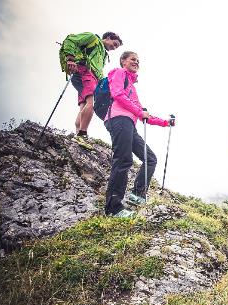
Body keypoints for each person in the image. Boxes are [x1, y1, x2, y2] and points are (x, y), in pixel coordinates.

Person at [104, 51, 175, 218]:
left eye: (138, 61)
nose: (136, 62)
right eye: (132, 59)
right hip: (118, 119)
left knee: (150, 158)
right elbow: (117, 94)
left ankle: (137, 195)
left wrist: (165, 122)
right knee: (123, 160)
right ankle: (113, 208)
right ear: (123, 61)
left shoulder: (132, 87)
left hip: (128, 123)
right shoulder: (119, 73)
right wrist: (138, 111)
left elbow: (143, 115)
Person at [59, 31, 123, 149]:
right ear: (108, 38)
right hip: (85, 72)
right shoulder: (92, 38)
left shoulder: (103, 53)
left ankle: (78, 133)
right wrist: (70, 58)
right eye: (114, 44)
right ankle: (82, 134)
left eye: (116, 47)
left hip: (91, 77)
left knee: (84, 105)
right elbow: (71, 40)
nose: (113, 48)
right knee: (91, 103)